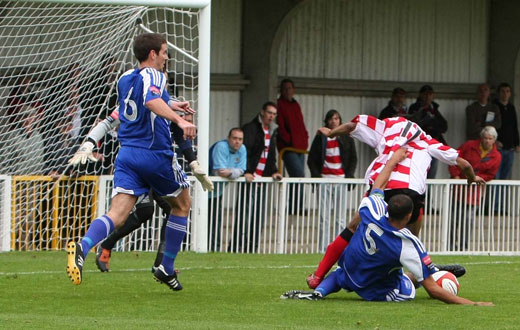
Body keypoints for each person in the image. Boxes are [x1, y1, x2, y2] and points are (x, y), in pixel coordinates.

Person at [66, 33, 197, 291]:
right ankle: (166, 267)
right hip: (154, 153)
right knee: (182, 204)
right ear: (152, 54)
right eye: (164, 52)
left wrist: (172, 103)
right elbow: (150, 100)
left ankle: (82, 246)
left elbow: (136, 105)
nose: (166, 57)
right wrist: (179, 120)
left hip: (127, 155)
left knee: (117, 213)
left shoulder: (125, 78)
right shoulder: (156, 76)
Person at [282, 148, 494, 306]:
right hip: (377, 289)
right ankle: (435, 271)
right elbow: (433, 291)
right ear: (410, 216)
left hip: (348, 271)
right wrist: (474, 304)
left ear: (388, 208)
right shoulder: (408, 243)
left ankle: (319, 292)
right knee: (408, 285)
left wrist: (393, 160)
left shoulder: (372, 208)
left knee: (339, 276)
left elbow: (378, 185)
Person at [306, 114, 485, 289]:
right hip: (412, 192)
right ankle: (425, 269)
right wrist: (471, 178)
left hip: (382, 185)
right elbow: (465, 165)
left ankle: (318, 276)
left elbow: (352, 126)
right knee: (410, 237)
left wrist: (331, 133)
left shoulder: (385, 127)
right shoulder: (426, 141)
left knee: (352, 228)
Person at [68, 71, 213, 273]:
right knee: (172, 207)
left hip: (134, 163)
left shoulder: (159, 103)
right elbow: (111, 121)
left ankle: (90, 247)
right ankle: (159, 264)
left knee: (134, 212)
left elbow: (180, 138)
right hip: (152, 164)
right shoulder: (146, 103)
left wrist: (194, 164)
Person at [232, 101, 282, 253]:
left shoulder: (272, 131)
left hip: (261, 181)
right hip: (249, 179)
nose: (271, 116)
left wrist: (273, 171)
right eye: (269, 113)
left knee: (258, 217)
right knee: (243, 216)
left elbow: (270, 154)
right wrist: (246, 171)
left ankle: (252, 248)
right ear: (262, 112)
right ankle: (236, 247)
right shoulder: (250, 128)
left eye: (274, 114)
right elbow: (246, 152)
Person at [307, 109, 357, 251]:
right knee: (324, 217)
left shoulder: (347, 137)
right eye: (331, 119)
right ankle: (323, 248)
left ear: (340, 121)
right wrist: (317, 176)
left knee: (340, 218)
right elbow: (312, 159)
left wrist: (349, 176)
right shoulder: (320, 137)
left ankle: (338, 248)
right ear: (327, 121)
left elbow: (353, 158)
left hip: (340, 179)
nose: (333, 121)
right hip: (324, 180)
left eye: (336, 118)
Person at [449, 126, 501, 250]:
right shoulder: (469, 145)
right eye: (485, 138)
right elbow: (454, 158)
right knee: (453, 219)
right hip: (459, 186)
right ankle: (449, 246)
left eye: (490, 138)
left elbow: (491, 174)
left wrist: (476, 177)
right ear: (481, 138)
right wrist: (455, 174)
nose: (487, 141)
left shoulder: (496, 156)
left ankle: (463, 247)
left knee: (468, 220)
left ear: (494, 140)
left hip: (474, 191)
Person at [208, 127, 247, 252]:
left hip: (216, 192)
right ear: (228, 139)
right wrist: (235, 172)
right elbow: (220, 171)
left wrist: (231, 172)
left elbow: (241, 170)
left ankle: (214, 248)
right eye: (235, 138)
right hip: (204, 190)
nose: (237, 142)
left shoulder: (243, 149)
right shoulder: (221, 146)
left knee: (215, 221)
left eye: (240, 139)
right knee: (209, 221)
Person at [276, 79, 308, 213]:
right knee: (297, 175)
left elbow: (300, 124)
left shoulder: (296, 105)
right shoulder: (280, 104)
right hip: (289, 147)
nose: (287, 91)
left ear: (293, 89)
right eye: (285, 88)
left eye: (290, 88)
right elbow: (281, 126)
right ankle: (295, 208)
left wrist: (305, 138)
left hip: (300, 146)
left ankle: (297, 207)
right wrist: (288, 140)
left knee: (300, 177)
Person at [407, 84, 448, 178]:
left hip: (433, 144)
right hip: (419, 145)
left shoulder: (434, 108)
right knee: (419, 173)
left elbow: (444, 126)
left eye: (430, 94)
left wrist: (432, 126)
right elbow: (415, 125)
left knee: (431, 174)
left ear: (433, 96)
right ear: (420, 95)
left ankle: (428, 193)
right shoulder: (414, 108)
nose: (427, 97)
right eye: (425, 94)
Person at [493, 83, 520, 180]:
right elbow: (490, 126)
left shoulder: (511, 108)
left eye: (507, 91)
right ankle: (494, 196)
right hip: (498, 147)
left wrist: (517, 143)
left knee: (506, 176)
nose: (505, 94)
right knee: (496, 175)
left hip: (510, 148)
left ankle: (502, 195)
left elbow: (514, 126)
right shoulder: (494, 106)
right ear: (499, 93)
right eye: (503, 91)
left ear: (510, 94)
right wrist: (494, 141)